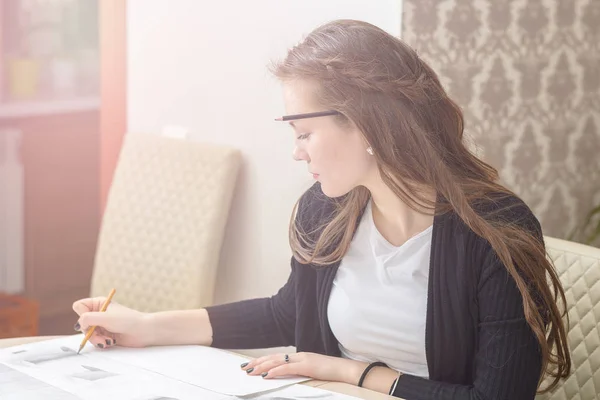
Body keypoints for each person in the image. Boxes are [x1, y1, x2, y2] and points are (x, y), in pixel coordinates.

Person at [72, 19, 571, 399]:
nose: (297, 152)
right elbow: (284, 314)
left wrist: (352, 372)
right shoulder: (329, 210)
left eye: (304, 133)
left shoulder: (495, 229)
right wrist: (146, 326)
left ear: (367, 125)